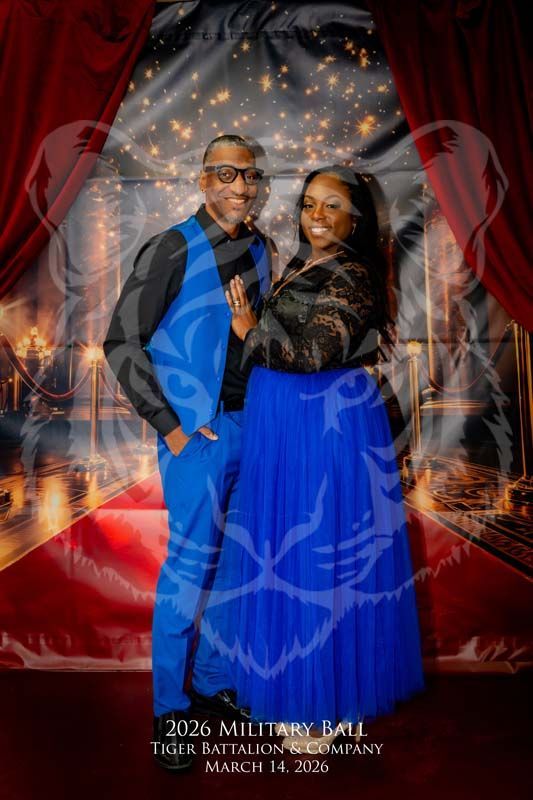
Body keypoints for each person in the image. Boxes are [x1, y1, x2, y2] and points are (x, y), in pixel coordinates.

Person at [214, 165, 425, 750]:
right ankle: (294, 687)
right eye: (310, 204)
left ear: (357, 218)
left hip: (323, 423)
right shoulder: (302, 265)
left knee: (318, 554)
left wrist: (249, 329)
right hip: (286, 422)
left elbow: (314, 354)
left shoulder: (354, 274)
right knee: (287, 550)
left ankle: (320, 707)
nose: (318, 215)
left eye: (333, 206)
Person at [103, 135, 272, 771]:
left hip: (252, 430)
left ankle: (213, 679)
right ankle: (170, 708)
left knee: (235, 566)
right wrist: (170, 425)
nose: (239, 185)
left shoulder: (261, 248)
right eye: (226, 173)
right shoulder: (171, 245)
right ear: (203, 181)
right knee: (188, 569)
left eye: (250, 175)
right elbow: (122, 341)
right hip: (195, 438)